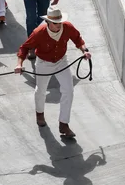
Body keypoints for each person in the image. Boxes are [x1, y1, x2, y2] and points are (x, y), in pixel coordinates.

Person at [15, 8, 91, 136]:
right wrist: (19, 64)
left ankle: (64, 124)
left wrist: (84, 51)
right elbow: (24, 47)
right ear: (48, 22)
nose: (59, 25)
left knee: (68, 90)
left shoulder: (67, 27)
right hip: (44, 63)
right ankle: (39, 114)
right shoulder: (39, 32)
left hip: (61, 62)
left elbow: (78, 39)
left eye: (60, 22)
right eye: (56, 23)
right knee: (41, 90)